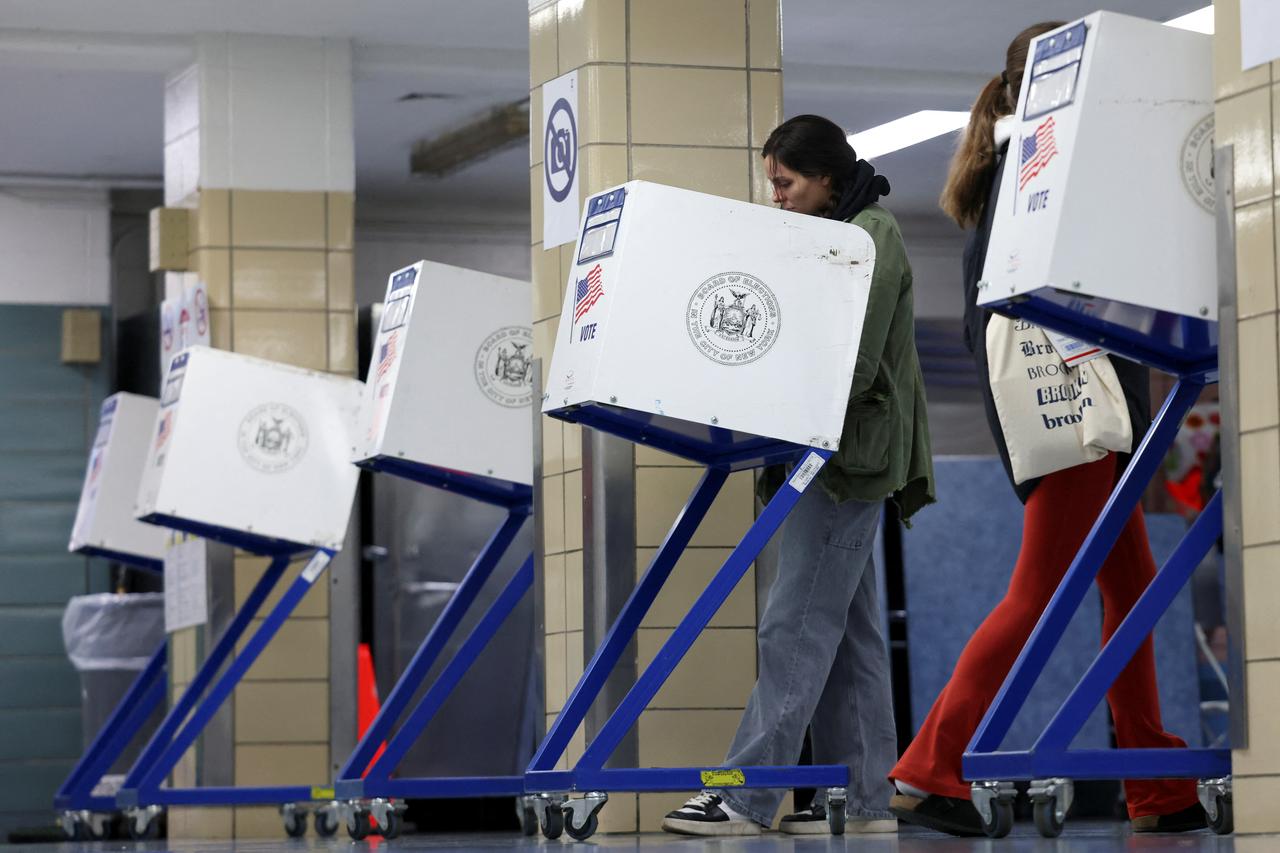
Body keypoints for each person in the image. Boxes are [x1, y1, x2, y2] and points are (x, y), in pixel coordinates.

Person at [887, 23, 1206, 837]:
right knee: (1038, 593)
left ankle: (1155, 779)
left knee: (1128, 588)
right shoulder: (1044, 160)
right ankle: (931, 764)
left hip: (1073, 396)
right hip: (1069, 396)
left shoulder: (1018, 160)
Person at [661, 114, 935, 837]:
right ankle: (863, 797)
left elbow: (857, 360)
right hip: (824, 451)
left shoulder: (871, 235)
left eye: (785, 182)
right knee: (846, 632)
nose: (776, 195)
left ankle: (746, 793)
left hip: (845, 459)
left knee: (794, 623)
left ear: (825, 178)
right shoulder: (830, 237)